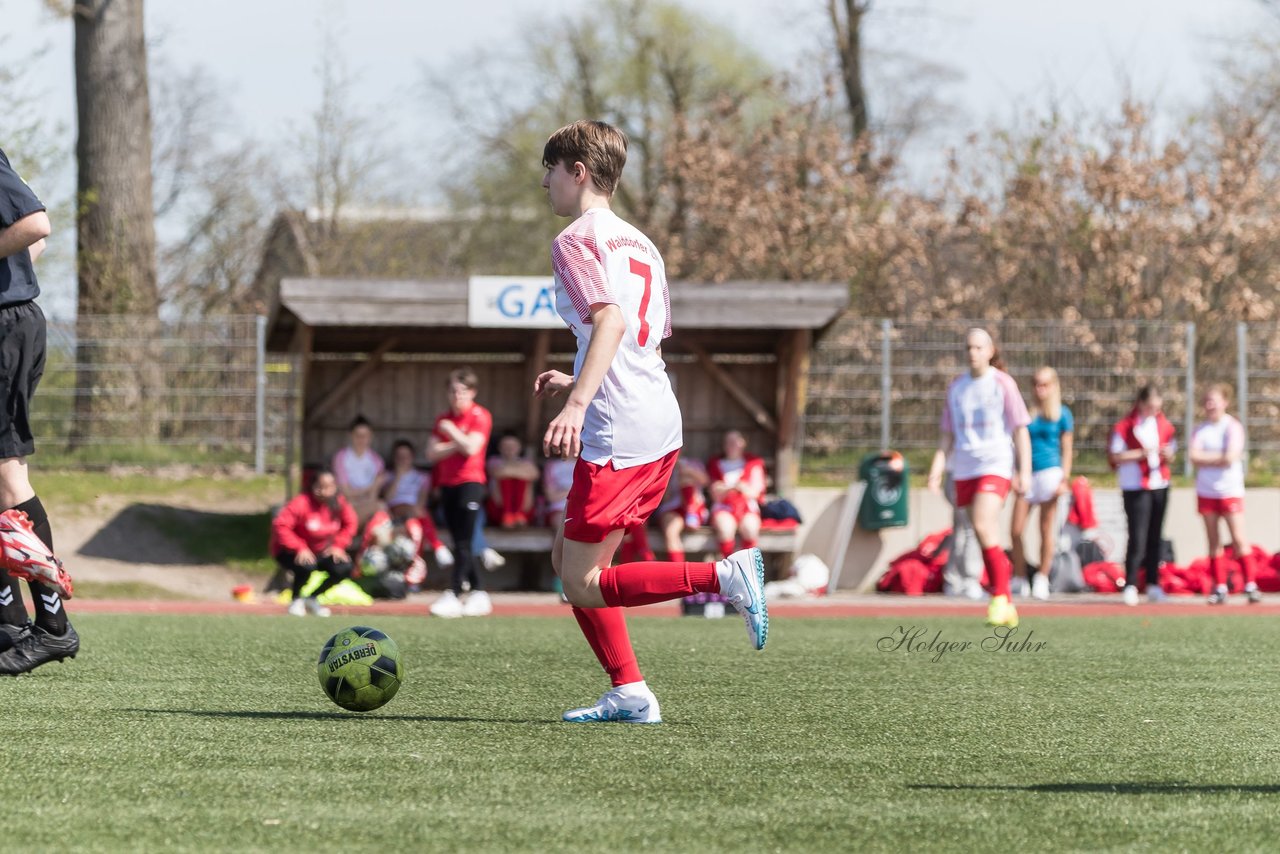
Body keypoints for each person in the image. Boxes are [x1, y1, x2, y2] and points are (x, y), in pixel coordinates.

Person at [536, 119, 766, 725]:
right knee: (570, 560)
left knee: (580, 582)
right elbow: (641, 341)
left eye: (550, 170)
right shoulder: (642, 243)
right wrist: (578, 376)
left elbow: (610, 322)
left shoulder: (574, 240)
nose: (545, 183)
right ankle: (630, 691)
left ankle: (723, 574)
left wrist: (580, 403)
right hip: (656, 413)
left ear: (577, 172)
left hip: (617, 427)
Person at [0, 146, 77, 675]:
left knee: (7, 477)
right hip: (11, 321)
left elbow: (34, 223)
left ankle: (52, 627)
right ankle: (7, 622)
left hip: (5, 328)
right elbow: (37, 243)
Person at [927, 327, 1031, 628]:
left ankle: (999, 596)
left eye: (978, 347)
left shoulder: (1002, 384)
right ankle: (1006, 599)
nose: (973, 353)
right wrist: (936, 469)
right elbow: (947, 436)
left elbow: (1020, 428)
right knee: (983, 534)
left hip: (995, 464)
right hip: (964, 468)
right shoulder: (956, 387)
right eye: (968, 348)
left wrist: (1023, 471)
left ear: (990, 351)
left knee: (985, 526)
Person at [428, 368, 493, 618]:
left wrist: (452, 434)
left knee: (465, 540)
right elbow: (431, 453)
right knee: (459, 541)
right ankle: (478, 591)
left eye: (463, 391)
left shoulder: (480, 415)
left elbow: (471, 447)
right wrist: (459, 441)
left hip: (470, 483)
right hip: (447, 484)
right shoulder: (442, 419)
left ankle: (455, 592)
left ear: (472, 392)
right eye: (454, 391)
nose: (458, 396)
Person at [1189, 385, 1259, 605]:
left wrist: (1207, 458)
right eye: (1207, 401)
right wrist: (1216, 457)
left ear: (1225, 402)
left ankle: (1250, 584)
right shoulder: (1200, 429)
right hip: (1206, 490)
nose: (1210, 405)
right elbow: (1193, 455)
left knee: (1238, 539)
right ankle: (1219, 587)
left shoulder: (1233, 426)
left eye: (1214, 400)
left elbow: (1231, 456)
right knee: (1213, 540)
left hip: (1230, 490)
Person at [1108, 384, 1177, 606]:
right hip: (1135, 486)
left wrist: (1169, 454)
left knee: (1156, 536)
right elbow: (1115, 455)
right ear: (1140, 403)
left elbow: (1172, 451)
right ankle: (1130, 583)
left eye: (1157, 407)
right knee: (1137, 536)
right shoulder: (1125, 426)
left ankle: (1153, 584)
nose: (1153, 411)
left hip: (1159, 484)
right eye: (1150, 406)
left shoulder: (1163, 424)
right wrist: (1141, 453)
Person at [1010, 367, 1073, 600]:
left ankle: (1042, 578)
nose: (1040, 389)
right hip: (1027, 474)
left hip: (1050, 474)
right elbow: (1016, 446)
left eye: (1045, 384)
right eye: (1036, 384)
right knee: (1015, 531)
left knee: (1046, 530)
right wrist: (1015, 473)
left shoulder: (1062, 414)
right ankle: (1019, 577)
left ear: (1054, 386)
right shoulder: (1026, 412)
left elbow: (1067, 450)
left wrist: (1064, 479)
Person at [272, 469, 358, 617]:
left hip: (321, 551)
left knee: (344, 567)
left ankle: (312, 598)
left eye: (329, 487)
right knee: (306, 565)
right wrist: (299, 547)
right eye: (320, 487)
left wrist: (338, 546)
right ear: (312, 486)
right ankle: (296, 600)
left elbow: (351, 523)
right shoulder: (301, 503)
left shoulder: (338, 504)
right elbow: (280, 525)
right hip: (290, 551)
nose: (324, 492)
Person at [381, 439, 453, 576]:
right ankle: (438, 546)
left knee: (416, 528)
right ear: (394, 458)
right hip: (394, 512)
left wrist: (415, 511)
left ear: (412, 457)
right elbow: (387, 499)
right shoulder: (389, 476)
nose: (402, 460)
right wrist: (399, 476)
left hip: (415, 514)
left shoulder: (422, 477)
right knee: (413, 514)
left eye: (406, 456)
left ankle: (413, 572)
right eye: (399, 457)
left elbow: (422, 501)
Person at [707, 430, 767, 559]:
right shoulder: (716, 463)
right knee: (725, 528)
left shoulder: (753, 463)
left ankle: (747, 566)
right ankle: (729, 566)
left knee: (750, 528)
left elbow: (757, 492)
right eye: (728, 442)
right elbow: (715, 493)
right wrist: (732, 488)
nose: (731, 445)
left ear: (743, 443)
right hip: (724, 507)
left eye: (735, 442)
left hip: (747, 507)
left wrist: (740, 488)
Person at [332, 415, 385, 525]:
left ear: (371, 436)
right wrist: (369, 487)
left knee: (379, 509)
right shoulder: (341, 457)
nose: (361, 439)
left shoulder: (376, 460)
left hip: (368, 505)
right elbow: (345, 492)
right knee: (380, 509)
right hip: (348, 505)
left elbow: (373, 495)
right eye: (358, 435)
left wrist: (365, 493)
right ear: (351, 435)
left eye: (365, 435)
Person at [656, 458, 710, 562]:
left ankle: (691, 512)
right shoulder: (665, 466)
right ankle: (678, 570)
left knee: (686, 479)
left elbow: (706, 481)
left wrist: (688, 471)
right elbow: (665, 497)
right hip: (674, 508)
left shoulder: (694, 463)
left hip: (695, 507)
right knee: (671, 532)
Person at [486, 432, 540, 528]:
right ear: (500, 448)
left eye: (513, 446)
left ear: (519, 447)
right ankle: (508, 514)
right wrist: (521, 472)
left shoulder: (526, 461)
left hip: (524, 508)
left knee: (522, 481)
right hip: (499, 507)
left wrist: (508, 470)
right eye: (506, 446)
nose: (509, 448)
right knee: (506, 480)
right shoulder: (493, 460)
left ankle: (517, 514)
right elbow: (498, 473)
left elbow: (535, 475)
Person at [542, 456, 578, 531]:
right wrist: (575, 489)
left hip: (582, 507)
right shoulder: (552, 465)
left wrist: (565, 491)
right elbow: (551, 496)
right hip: (559, 508)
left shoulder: (588, 464)